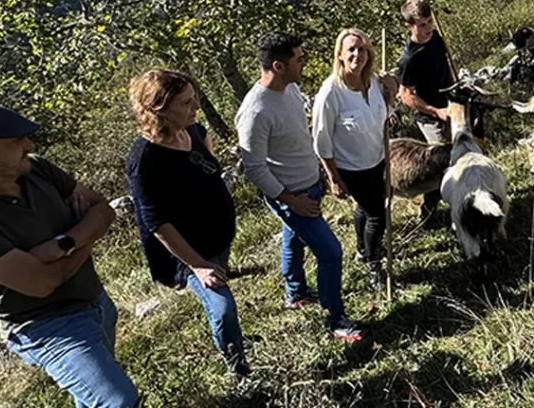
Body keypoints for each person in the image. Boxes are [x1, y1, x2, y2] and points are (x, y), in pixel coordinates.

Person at [0, 103, 140, 408]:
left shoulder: (37, 168)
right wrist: (86, 233)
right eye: (16, 142)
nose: (29, 145)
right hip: (44, 327)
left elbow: (103, 210)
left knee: (93, 398)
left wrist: (65, 243)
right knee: (118, 401)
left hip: (96, 302)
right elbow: (43, 283)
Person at [235, 31, 364, 341]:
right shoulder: (255, 112)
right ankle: (335, 321)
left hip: (308, 185)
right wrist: (290, 200)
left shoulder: (289, 88)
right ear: (279, 66)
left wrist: (320, 171)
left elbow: (297, 137)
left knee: (292, 240)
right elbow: (254, 167)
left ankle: (295, 293)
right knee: (331, 253)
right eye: (299, 58)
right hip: (291, 196)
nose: (304, 62)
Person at [124, 69, 250, 378]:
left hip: (218, 239)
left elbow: (205, 159)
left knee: (223, 298)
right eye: (186, 103)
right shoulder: (145, 160)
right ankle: (240, 372)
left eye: (194, 99)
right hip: (189, 254)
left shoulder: (192, 131)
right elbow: (157, 223)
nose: (195, 108)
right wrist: (198, 266)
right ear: (158, 109)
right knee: (222, 309)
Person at [312, 28, 397, 291]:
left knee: (365, 207)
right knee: (377, 215)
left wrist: (391, 92)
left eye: (362, 49)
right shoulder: (331, 94)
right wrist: (333, 178)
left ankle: (362, 249)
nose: (357, 55)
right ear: (339, 55)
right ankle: (374, 264)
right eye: (351, 49)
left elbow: (384, 115)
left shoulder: (374, 82)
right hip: (352, 168)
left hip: (378, 158)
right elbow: (321, 142)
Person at [396, 0, 455, 224]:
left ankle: (452, 202)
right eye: (421, 24)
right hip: (430, 117)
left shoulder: (437, 38)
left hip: (451, 107)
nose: (428, 27)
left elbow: (444, 67)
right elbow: (406, 96)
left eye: (429, 21)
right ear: (409, 26)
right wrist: (436, 111)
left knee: (457, 155)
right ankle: (429, 213)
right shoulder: (409, 59)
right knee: (441, 164)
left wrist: (454, 91)